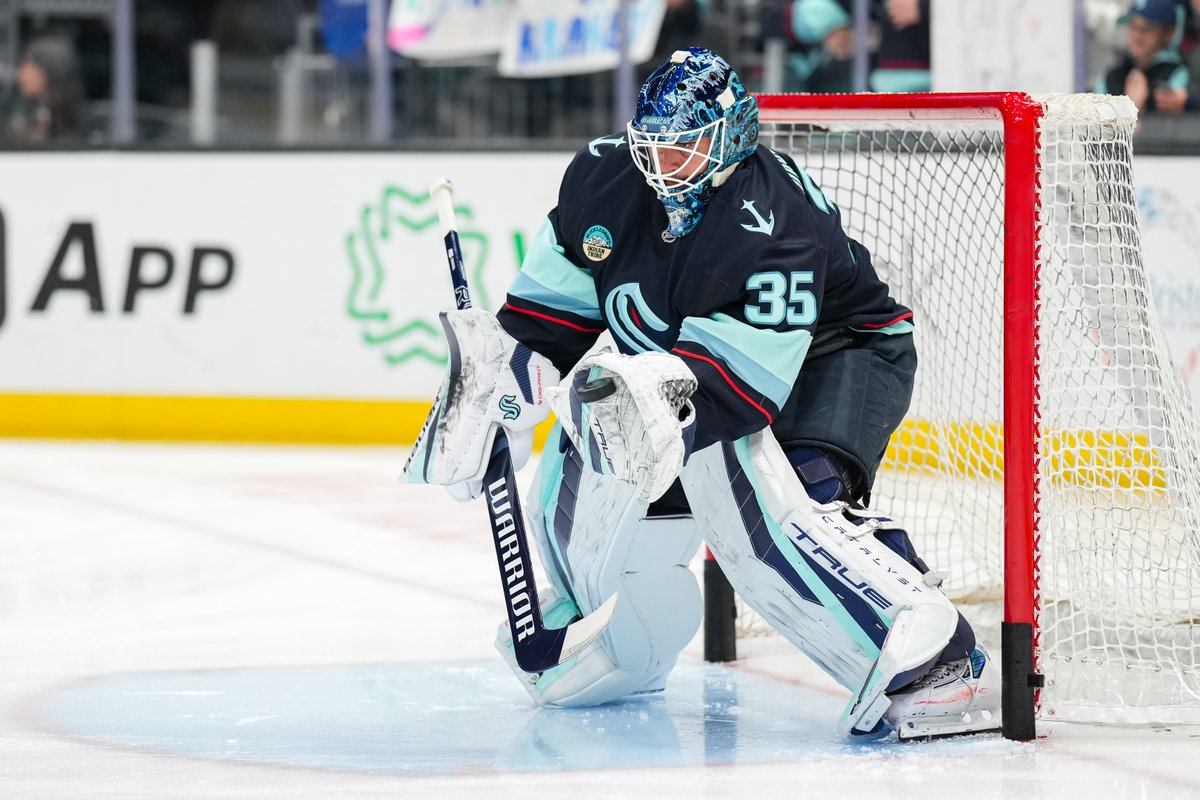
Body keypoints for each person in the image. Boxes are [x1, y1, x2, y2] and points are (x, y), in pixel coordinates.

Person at [406, 48, 999, 740]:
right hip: (694, 365)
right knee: (582, 456)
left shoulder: (771, 222)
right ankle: (613, 629)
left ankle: (935, 653)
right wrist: (499, 394)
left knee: (783, 496)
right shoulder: (603, 178)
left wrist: (645, 412)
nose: (662, 167)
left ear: (731, 139)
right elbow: (548, 322)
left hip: (838, 352)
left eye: (683, 150)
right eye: (652, 147)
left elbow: (736, 393)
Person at [1097, 0, 1190, 113]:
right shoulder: (1113, 75)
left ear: (1169, 33)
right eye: (1133, 25)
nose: (1137, 36)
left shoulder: (1178, 74)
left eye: (1148, 28)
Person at [0, 36, 85, 145]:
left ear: (51, 69)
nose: (22, 73)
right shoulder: (14, 109)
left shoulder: (76, 118)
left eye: (31, 64)